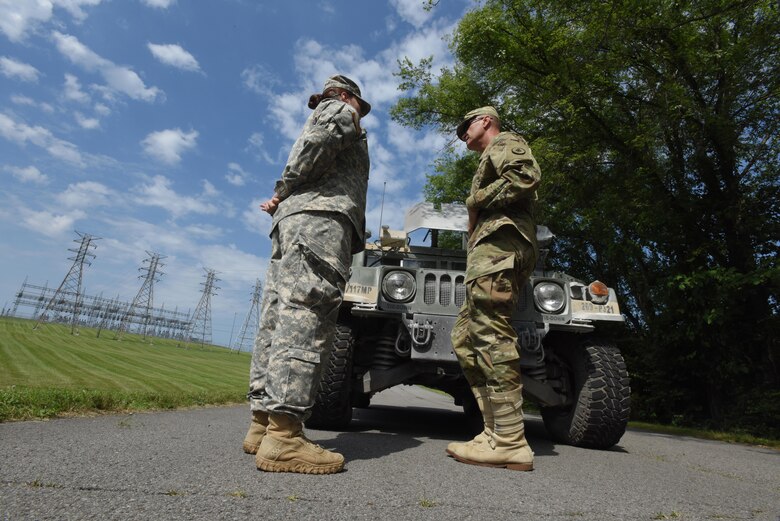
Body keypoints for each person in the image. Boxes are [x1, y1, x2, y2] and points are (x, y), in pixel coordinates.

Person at [242, 75, 370, 475]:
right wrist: (284, 187)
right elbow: (318, 143)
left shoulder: (323, 112)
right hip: (320, 220)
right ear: (350, 97)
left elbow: (311, 146)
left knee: (278, 316)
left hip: (296, 222)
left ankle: (261, 426)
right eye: (357, 107)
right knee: (306, 314)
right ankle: (284, 437)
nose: (357, 115)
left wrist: (284, 196)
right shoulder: (339, 109)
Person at [447, 106, 541, 471]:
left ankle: (510, 441)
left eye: (466, 126)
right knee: (465, 337)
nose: (462, 134)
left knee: (490, 333)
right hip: (489, 252)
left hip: (502, 248)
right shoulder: (488, 156)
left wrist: (475, 201)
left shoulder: (505, 142)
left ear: (485, 121)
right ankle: (494, 430)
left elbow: (525, 176)